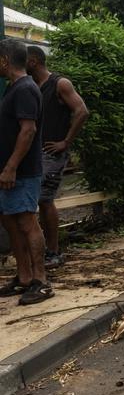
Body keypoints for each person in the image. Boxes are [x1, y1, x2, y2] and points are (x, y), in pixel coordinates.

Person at [26, 46, 90, 268]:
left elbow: (82, 111)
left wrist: (66, 142)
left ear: (33, 61)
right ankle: (42, 251)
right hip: (35, 151)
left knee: (45, 199)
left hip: (52, 152)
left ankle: (53, 252)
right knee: (37, 201)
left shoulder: (60, 84)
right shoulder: (32, 86)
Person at [0, 39, 51, 304]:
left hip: (22, 171)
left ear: (5, 60)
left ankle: (41, 282)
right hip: (10, 171)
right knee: (10, 221)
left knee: (26, 221)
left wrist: (11, 167)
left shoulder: (25, 89)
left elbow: (28, 130)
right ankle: (23, 277)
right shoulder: (13, 88)